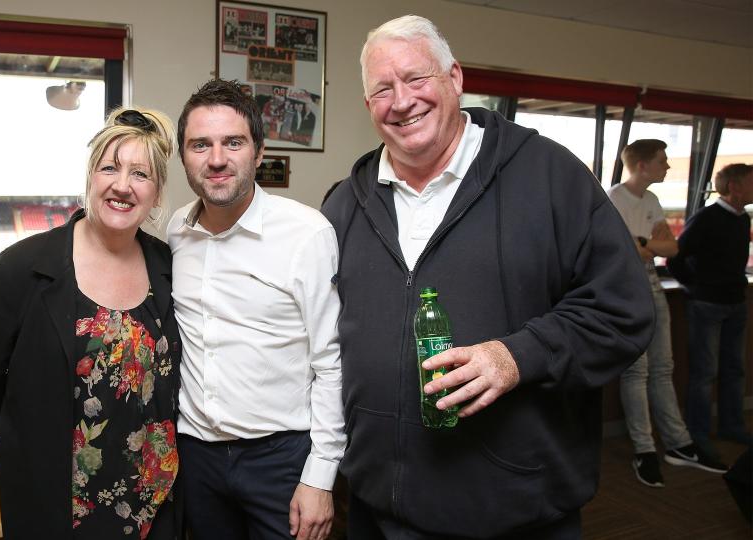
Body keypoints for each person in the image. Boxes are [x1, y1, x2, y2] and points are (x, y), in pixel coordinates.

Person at [320, 15, 653, 538]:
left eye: (416, 79)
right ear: (369, 107)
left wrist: (517, 356)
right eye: (382, 89)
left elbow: (622, 312)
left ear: (454, 79)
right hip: (376, 507)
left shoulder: (549, 176)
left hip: (513, 510)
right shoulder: (345, 201)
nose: (401, 101)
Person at [0, 107, 182, 539]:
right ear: (90, 178)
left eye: (141, 174)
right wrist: (26, 430)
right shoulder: (23, 266)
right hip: (56, 499)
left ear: (156, 194)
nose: (122, 185)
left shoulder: (170, 266)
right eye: (109, 168)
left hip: (153, 500)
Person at [168, 79, 344, 540]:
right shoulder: (174, 233)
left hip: (282, 459)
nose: (217, 159)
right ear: (183, 156)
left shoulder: (307, 234)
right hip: (196, 455)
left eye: (233, 142)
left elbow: (332, 364)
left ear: (259, 152)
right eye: (200, 144)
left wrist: (320, 476)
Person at [607, 139, 727, 488]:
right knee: (637, 371)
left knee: (663, 368)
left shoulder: (653, 200)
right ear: (642, 165)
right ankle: (644, 450)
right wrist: (646, 244)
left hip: (655, 290)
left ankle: (679, 445)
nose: (668, 167)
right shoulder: (614, 198)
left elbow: (670, 248)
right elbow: (622, 249)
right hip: (626, 294)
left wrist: (641, 242)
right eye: (663, 160)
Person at [672, 163, 753, 451]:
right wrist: (696, 288)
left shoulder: (743, 219)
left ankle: (732, 426)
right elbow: (675, 259)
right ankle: (700, 434)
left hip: (735, 303)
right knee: (704, 372)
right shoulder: (706, 218)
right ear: (735, 186)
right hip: (707, 304)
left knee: (735, 369)